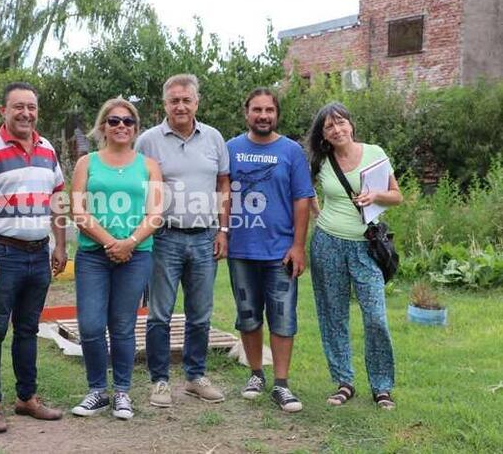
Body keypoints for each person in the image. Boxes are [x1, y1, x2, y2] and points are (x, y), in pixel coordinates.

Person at [0, 82, 68, 433]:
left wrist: (61, 245)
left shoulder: (47, 149)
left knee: (28, 328)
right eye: (18, 106)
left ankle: (26, 398)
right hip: (2, 254)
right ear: (3, 111)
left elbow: (57, 201)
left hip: (38, 255)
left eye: (32, 107)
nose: (26, 113)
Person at [135, 74, 230, 407]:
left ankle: (194, 377)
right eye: (173, 100)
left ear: (196, 102)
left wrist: (223, 230)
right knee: (159, 314)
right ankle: (160, 381)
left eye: (186, 100)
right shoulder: (148, 141)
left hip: (205, 238)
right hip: (164, 238)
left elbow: (223, 186)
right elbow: (137, 186)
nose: (180, 106)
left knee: (200, 313)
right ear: (165, 104)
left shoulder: (214, 139)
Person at [69, 98, 163, 420]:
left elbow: (156, 213)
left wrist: (130, 243)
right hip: (94, 255)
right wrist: (112, 242)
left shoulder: (148, 166)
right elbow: (78, 211)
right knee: (91, 324)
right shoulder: (87, 163)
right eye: (114, 121)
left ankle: (122, 391)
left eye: (128, 121)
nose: (121, 125)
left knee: (123, 325)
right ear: (103, 127)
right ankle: (97, 390)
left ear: (136, 129)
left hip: (137, 256)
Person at [306, 102, 403, 410]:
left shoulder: (375, 153)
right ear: (323, 135)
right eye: (329, 127)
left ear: (350, 124)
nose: (337, 130)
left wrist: (374, 196)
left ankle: (382, 386)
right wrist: (318, 214)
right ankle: (344, 381)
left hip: (364, 246)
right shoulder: (321, 161)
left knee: (375, 317)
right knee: (333, 315)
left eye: (341, 122)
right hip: (328, 244)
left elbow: (397, 195)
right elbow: (305, 192)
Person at [226, 87, 315, 413]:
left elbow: (302, 199)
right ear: (246, 112)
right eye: (257, 110)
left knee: (282, 316)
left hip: (280, 250)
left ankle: (281, 384)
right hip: (241, 248)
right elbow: (220, 192)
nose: (263, 116)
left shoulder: (291, 151)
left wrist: (298, 246)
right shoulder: (230, 148)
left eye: (269, 110)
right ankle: (255, 373)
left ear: (276, 114)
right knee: (248, 315)